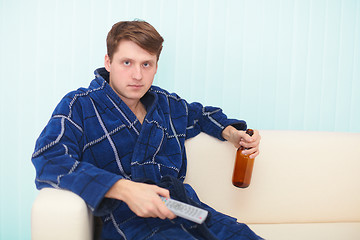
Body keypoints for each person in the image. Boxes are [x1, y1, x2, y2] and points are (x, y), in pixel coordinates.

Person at [32, 20, 262, 240]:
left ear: (156, 66)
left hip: (185, 208)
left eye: (146, 64)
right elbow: (49, 157)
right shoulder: (79, 105)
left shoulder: (166, 104)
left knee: (242, 234)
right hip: (127, 220)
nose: (137, 75)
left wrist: (232, 134)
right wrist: (123, 189)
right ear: (108, 62)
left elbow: (202, 115)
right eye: (126, 62)